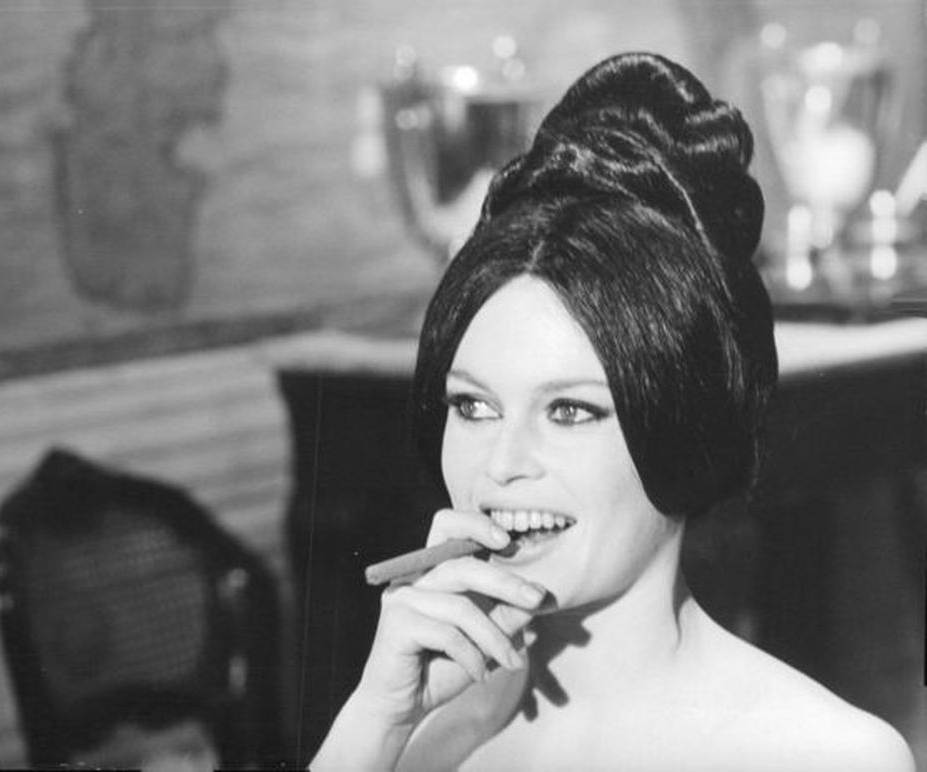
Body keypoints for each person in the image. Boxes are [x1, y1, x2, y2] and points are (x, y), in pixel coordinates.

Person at [310, 52, 916, 771]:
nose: (501, 465)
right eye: (473, 405)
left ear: (681, 424)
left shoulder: (826, 756)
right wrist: (374, 723)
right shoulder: (416, 737)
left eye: (569, 411)